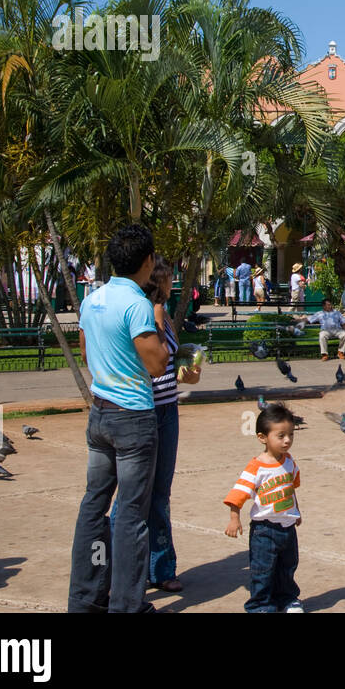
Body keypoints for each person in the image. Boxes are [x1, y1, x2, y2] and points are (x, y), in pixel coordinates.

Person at [68, 224, 169, 613]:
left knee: (94, 505)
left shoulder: (93, 298)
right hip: (133, 418)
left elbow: (85, 351)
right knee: (130, 514)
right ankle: (127, 604)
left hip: (100, 413)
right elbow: (157, 363)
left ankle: (86, 598)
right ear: (146, 261)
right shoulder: (136, 303)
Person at [142, 255, 200, 595]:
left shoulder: (165, 316)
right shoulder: (146, 314)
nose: (169, 285)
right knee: (135, 495)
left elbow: (170, 363)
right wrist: (160, 316)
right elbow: (153, 358)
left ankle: (160, 567)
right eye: (165, 280)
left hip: (167, 408)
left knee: (160, 494)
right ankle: (119, 567)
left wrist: (188, 373)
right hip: (142, 410)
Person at [225, 401, 302, 613]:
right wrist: (234, 518)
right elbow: (238, 494)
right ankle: (260, 605)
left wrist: (297, 512)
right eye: (281, 436)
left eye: (291, 435)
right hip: (264, 530)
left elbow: (291, 487)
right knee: (263, 570)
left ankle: (288, 599)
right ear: (262, 437)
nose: (287, 440)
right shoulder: (256, 466)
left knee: (287, 567)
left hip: (288, 527)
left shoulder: (289, 461)